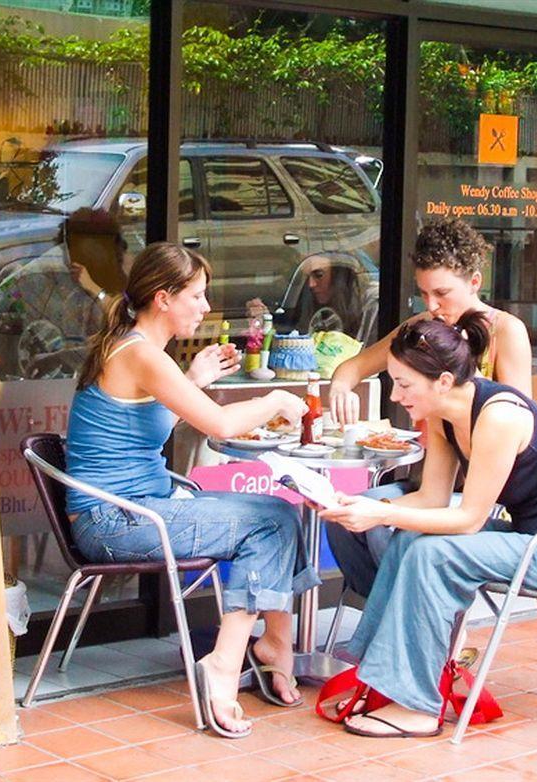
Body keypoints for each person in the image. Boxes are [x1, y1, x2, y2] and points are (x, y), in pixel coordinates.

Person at [319, 311, 537, 738]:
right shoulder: (443, 415)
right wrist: (360, 505)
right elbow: (432, 500)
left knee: (433, 553)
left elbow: (468, 519)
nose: (395, 397)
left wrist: (381, 513)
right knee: (411, 539)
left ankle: (419, 707)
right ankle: (383, 678)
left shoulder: (498, 416)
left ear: (443, 381)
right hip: (533, 539)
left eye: (404, 384)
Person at [64, 242, 321, 739]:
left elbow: (146, 420)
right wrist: (274, 399)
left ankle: (275, 644)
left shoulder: (137, 349)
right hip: (115, 523)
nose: (205, 307)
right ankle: (226, 664)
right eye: (198, 296)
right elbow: (221, 425)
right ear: (163, 298)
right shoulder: (141, 353)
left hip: (139, 509)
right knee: (268, 524)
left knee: (281, 511)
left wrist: (195, 378)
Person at [326, 217, 533, 597]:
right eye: (424, 294)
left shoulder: (506, 331)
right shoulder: (422, 327)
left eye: (442, 293)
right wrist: (341, 385)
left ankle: (410, 625)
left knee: (389, 529)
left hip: (480, 493)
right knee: (343, 519)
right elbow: (355, 365)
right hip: (431, 481)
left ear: (474, 283)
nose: (433, 306)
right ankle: (389, 611)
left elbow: (521, 425)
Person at [0, 207, 130, 379]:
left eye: (94, 248)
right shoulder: (38, 278)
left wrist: (93, 289)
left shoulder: (119, 283)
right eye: (72, 247)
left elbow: (124, 327)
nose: (76, 255)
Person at [247, 252, 379, 345]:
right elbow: (291, 330)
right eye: (307, 277)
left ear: (339, 276)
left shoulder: (370, 306)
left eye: (319, 275)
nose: (311, 284)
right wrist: (265, 320)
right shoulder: (307, 302)